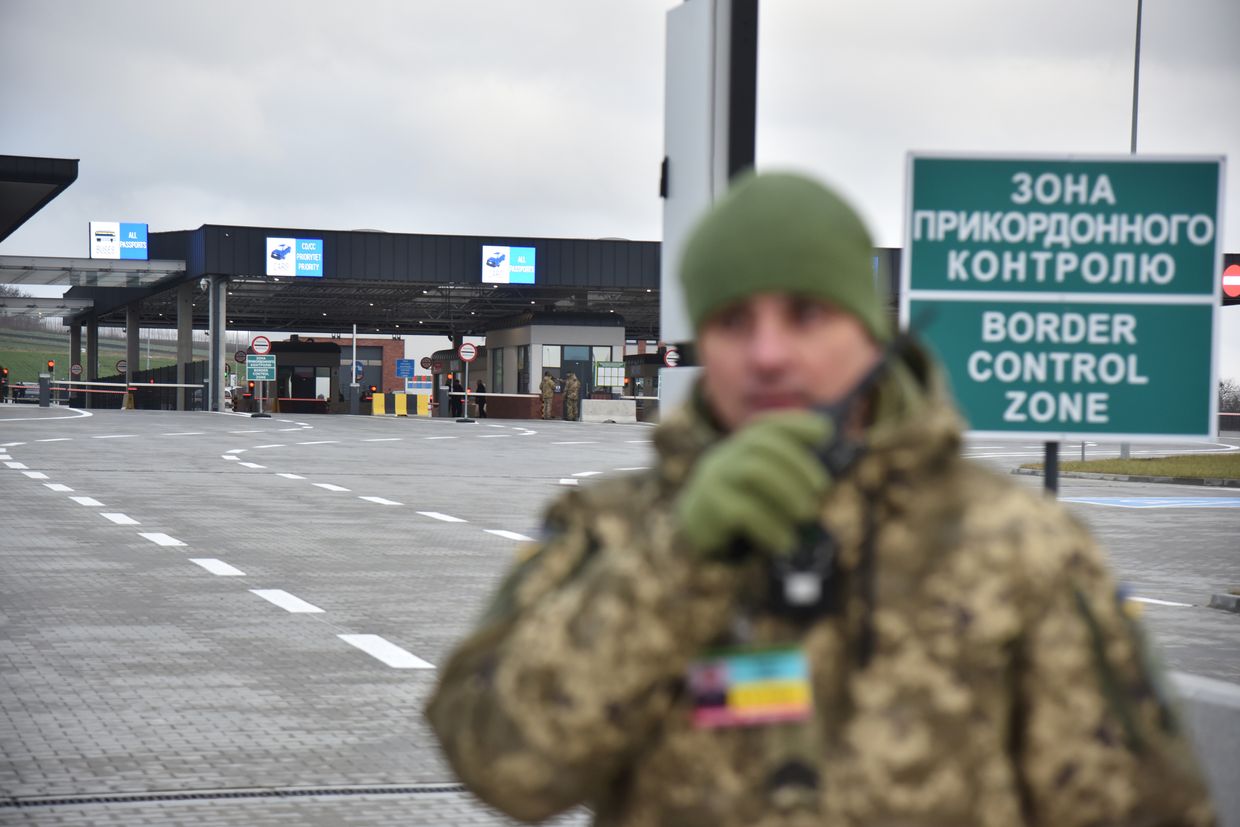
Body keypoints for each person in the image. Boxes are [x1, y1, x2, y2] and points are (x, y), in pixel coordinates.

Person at [426, 172, 1214, 826]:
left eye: (805, 313)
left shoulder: (1019, 547)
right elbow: (503, 765)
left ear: (871, 331)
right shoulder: (611, 531)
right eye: (733, 321)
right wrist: (676, 559)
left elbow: (1146, 806)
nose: (768, 353)